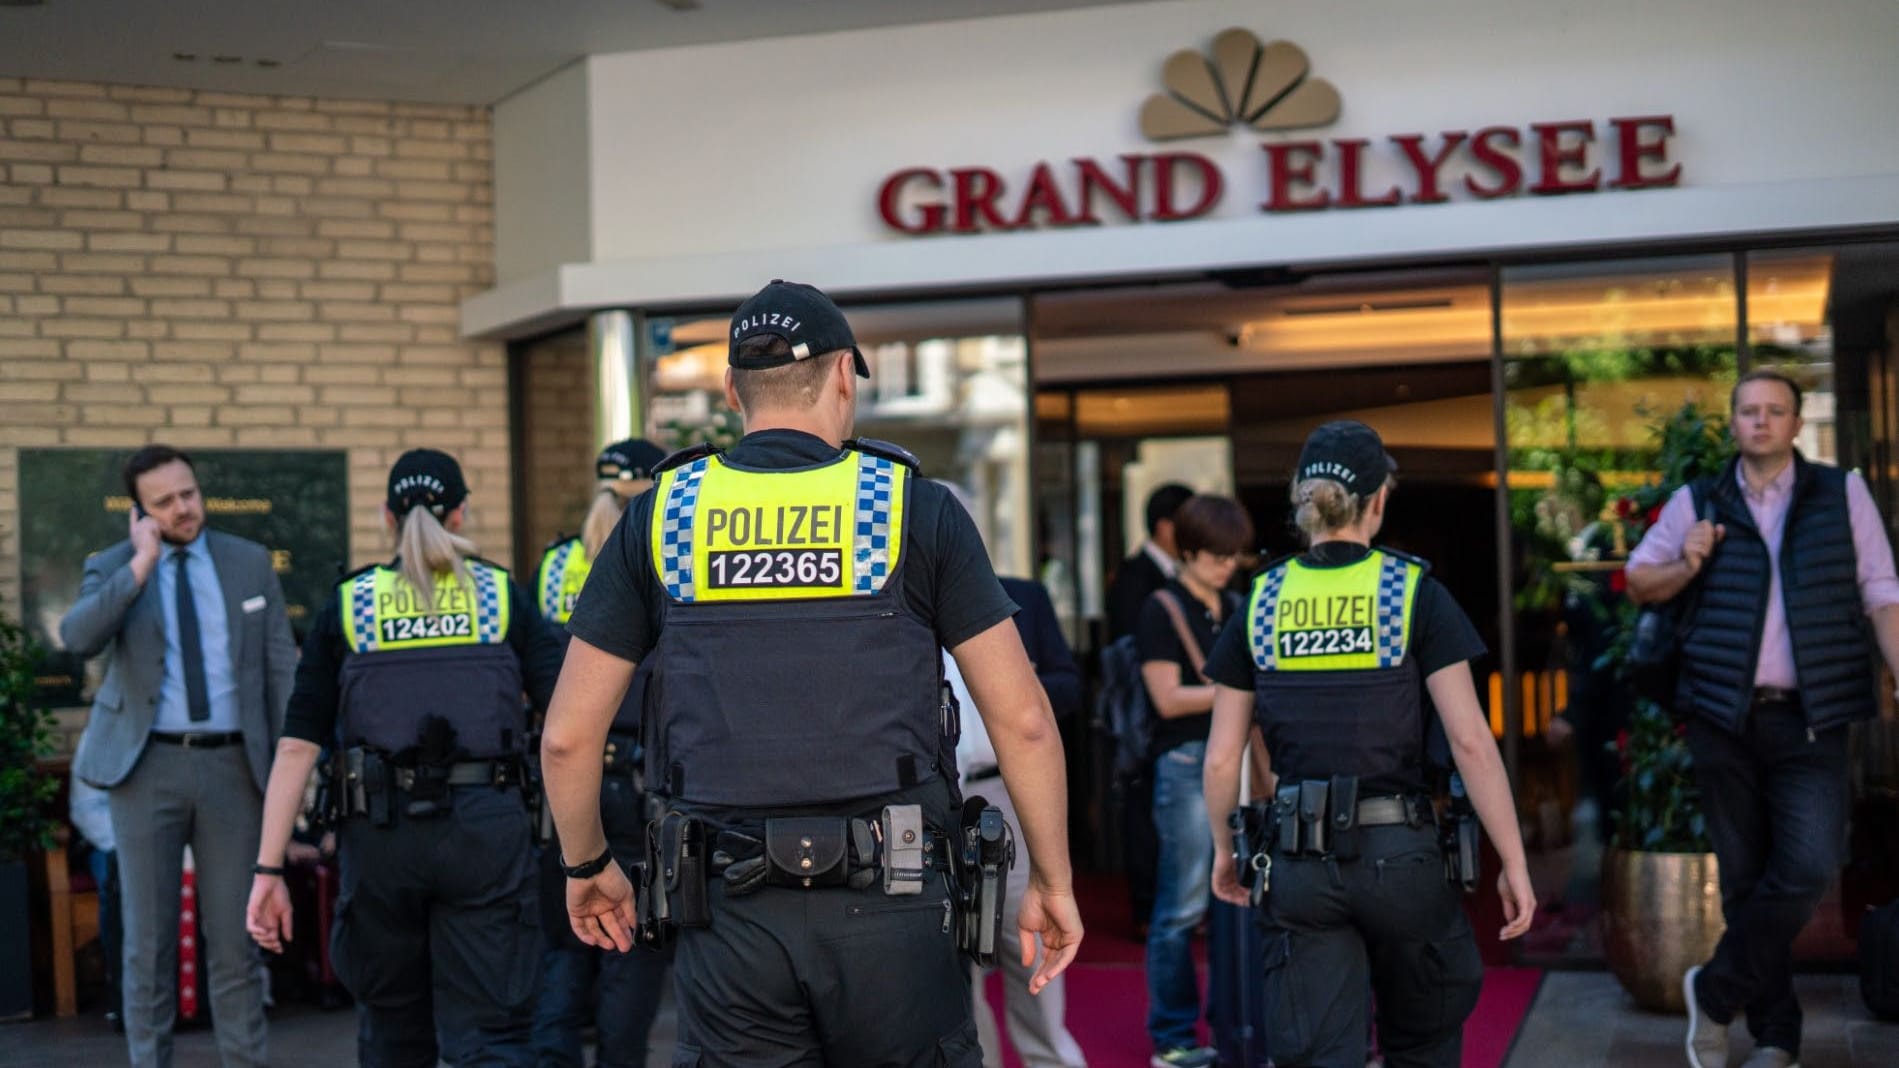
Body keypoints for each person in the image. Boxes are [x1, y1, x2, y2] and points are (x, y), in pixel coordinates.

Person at [539, 279, 1084, 1066]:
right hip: (895, 901)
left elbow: (566, 737)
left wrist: (587, 865)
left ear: (731, 389)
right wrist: (1053, 879)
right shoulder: (909, 507)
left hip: (725, 908)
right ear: (841, 376)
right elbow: (1023, 719)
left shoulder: (662, 515)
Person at [1202, 420, 1536, 1068]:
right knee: (1423, 1038)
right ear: (1377, 500)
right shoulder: (1412, 593)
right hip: (1401, 857)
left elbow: (1222, 756)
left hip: (1296, 862)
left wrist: (1223, 849)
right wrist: (1512, 861)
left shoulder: (1261, 600)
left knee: (1316, 1052)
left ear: (1305, 500)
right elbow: (1469, 740)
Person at [244, 448, 563, 1067]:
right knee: (495, 1037)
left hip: (380, 836)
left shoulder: (351, 604)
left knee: (392, 1034)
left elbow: (296, 746)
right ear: (462, 515)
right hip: (486, 834)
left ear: (387, 519)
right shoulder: (501, 596)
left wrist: (268, 872)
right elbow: (563, 727)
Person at [1625, 369, 1899, 1068]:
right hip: (1722, 717)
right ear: (1733, 421)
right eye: (1748, 411)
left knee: (1807, 867)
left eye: (1774, 411)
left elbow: (1881, 590)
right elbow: (1637, 579)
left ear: (1795, 423)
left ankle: (1713, 994)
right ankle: (1775, 1038)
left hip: (1812, 715)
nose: (1760, 422)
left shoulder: (1842, 494)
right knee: (1746, 881)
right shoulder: (1698, 500)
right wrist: (1686, 562)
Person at [59, 444, 296, 1068]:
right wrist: (140, 566)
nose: (183, 508)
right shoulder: (113, 565)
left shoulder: (247, 563)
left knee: (236, 941)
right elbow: (78, 638)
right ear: (138, 511)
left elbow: (279, 671)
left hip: (232, 771)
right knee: (148, 941)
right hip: (147, 770)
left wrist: (288, 775)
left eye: (188, 493)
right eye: (163, 502)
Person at [531, 437, 674, 1068]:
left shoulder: (555, 564)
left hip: (568, 782)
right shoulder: (664, 557)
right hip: (642, 779)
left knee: (563, 956)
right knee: (631, 959)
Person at [940, 483, 1088, 1068]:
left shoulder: (1019, 596)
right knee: (953, 958)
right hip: (930, 800)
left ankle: (1051, 1059)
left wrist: (1016, 683)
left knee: (1028, 942)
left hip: (1004, 790)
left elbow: (1069, 688)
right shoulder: (893, 604)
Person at [1137, 494, 1252, 1068]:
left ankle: (1238, 1025)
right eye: (1214, 556)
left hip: (1238, 761)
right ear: (1186, 550)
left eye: (1233, 555)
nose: (1226, 565)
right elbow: (1166, 697)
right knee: (1181, 905)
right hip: (1185, 763)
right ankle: (1173, 1037)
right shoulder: (1162, 606)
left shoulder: (1237, 602)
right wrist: (1238, 692)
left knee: (1240, 897)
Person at [1107, 483, 1194, 939]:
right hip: (1143, 717)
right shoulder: (1136, 575)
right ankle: (1146, 909)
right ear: (1165, 527)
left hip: (1170, 718)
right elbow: (1126, 653)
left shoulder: (1179, 575)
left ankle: (1171, 903)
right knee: (1143, 811)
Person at [68, 776, 122, 1030]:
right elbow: (86, 811)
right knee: (114, 884)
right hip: (109, 844)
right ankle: (121, 987)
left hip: (171, 844)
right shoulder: (97, 740)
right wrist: (131, 846)